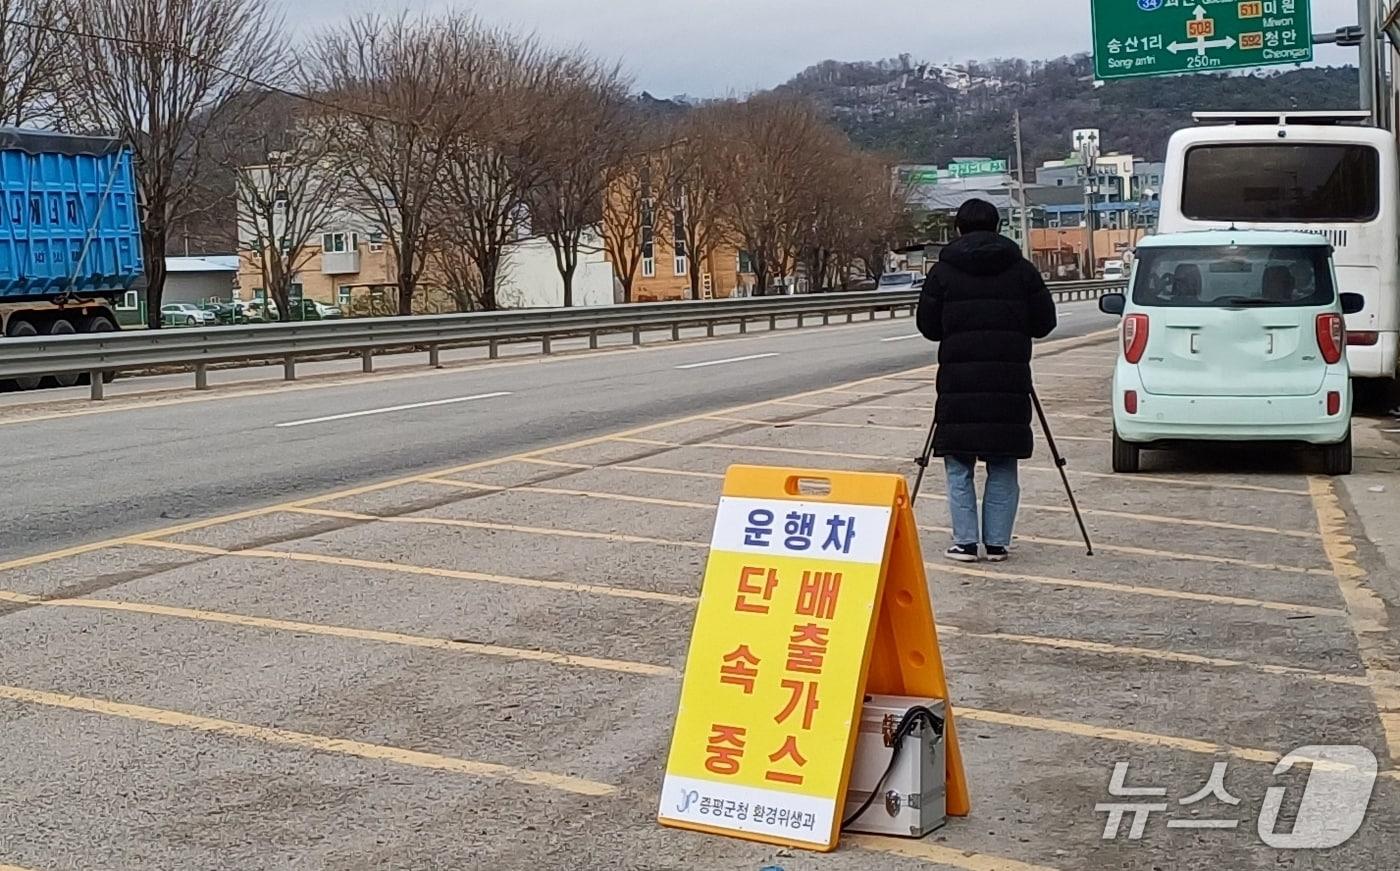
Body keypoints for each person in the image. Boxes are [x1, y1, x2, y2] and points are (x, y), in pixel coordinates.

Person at [916, 198, 1058, 562]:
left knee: (958, 462)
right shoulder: (1022, 270)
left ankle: (965, 542)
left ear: (959, 229)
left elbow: (928, 328)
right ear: (998, 227)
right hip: (1008, 379)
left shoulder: (943, 272)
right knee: (1003, 459)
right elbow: (1045, 323)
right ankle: (996, 543)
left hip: (958, 380)